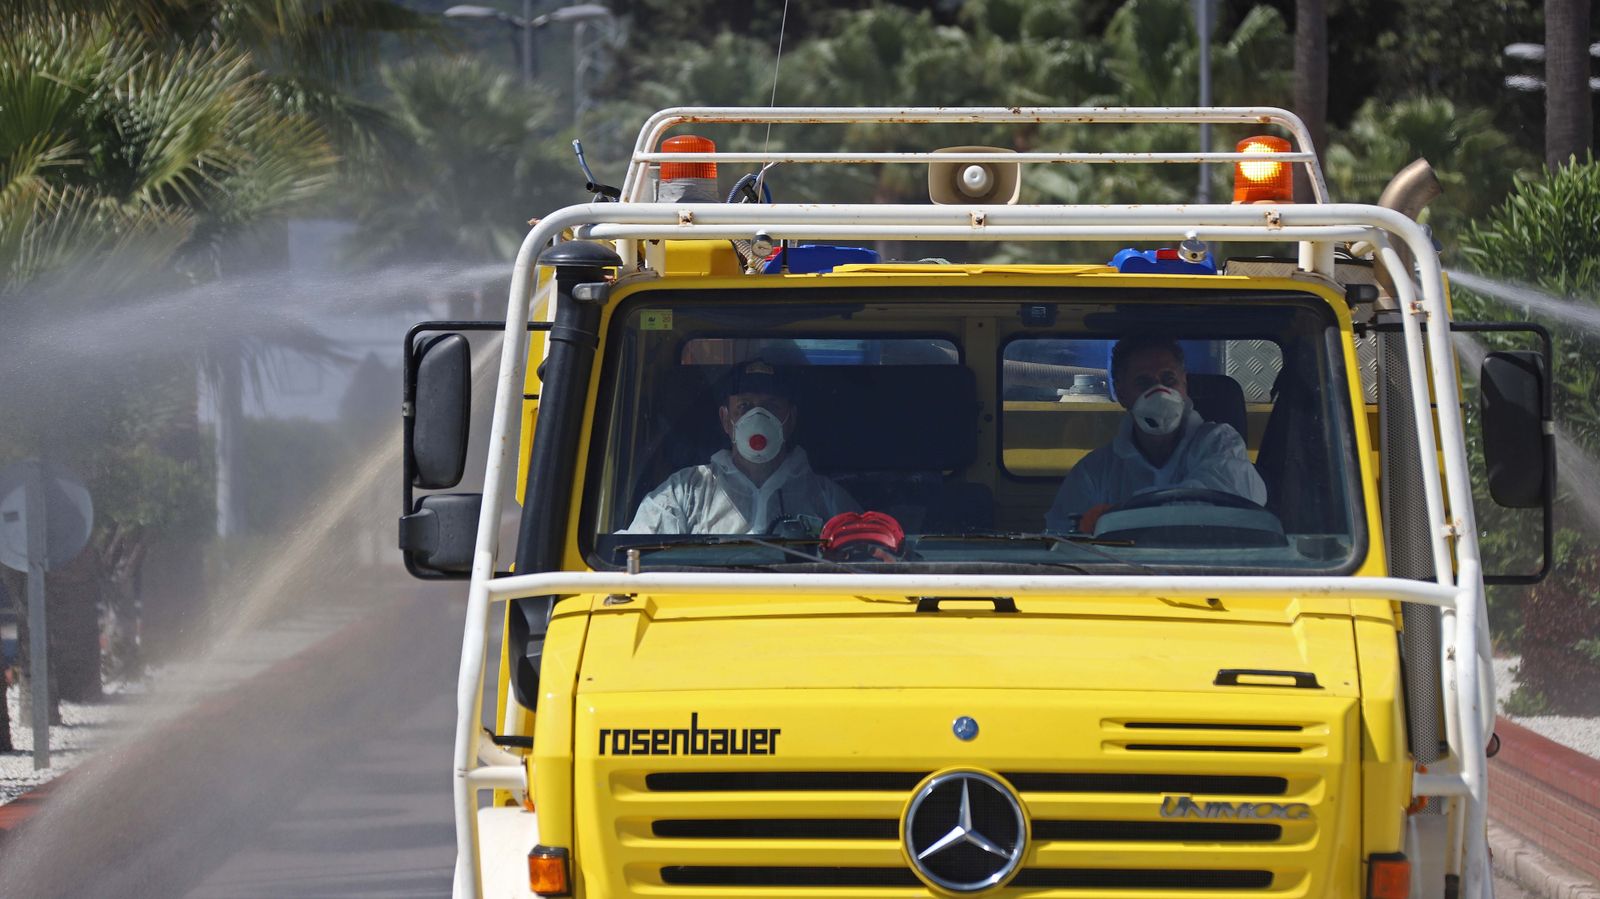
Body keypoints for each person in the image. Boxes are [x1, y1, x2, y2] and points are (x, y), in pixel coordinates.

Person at [1045, 336, 1266, 533]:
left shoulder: (1221, 443)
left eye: (1169, 379)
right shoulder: (1094, 472)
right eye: (1144, 382)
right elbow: (1063, 538)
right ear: (1122, 394)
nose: (1160, 391)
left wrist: (1116, 517)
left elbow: (1232, 501)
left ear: (1184, 384)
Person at [623, 359, 860, 534]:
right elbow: (631, 556)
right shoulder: (685, 492)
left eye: (772, 406)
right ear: (726, 420)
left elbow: (864, 553)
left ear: (791, 419)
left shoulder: (827, 498)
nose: (758, 417)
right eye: (745, 406)